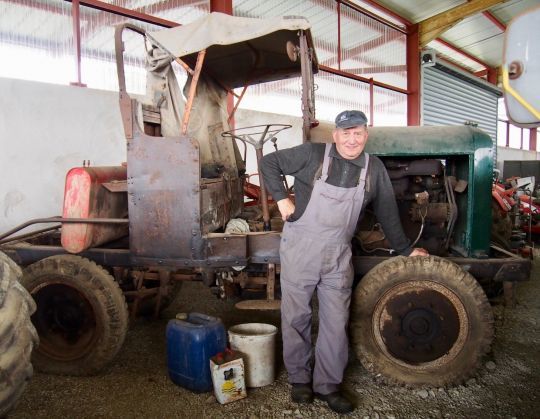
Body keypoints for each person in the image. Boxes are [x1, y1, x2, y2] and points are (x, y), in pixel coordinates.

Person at [260, 110, 428, 414]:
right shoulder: (312, 154)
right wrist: (282, 199)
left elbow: (388, 210)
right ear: (335, 134)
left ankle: (327, 385)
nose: (352, 139)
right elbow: (268, 162)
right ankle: (300, 379)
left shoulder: (372, 168)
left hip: (338, 254)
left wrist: (405, 250)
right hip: (301, 248)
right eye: (346, 133)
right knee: (296, 315)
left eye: (358, 133)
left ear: (366, 135)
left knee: (336, 322)